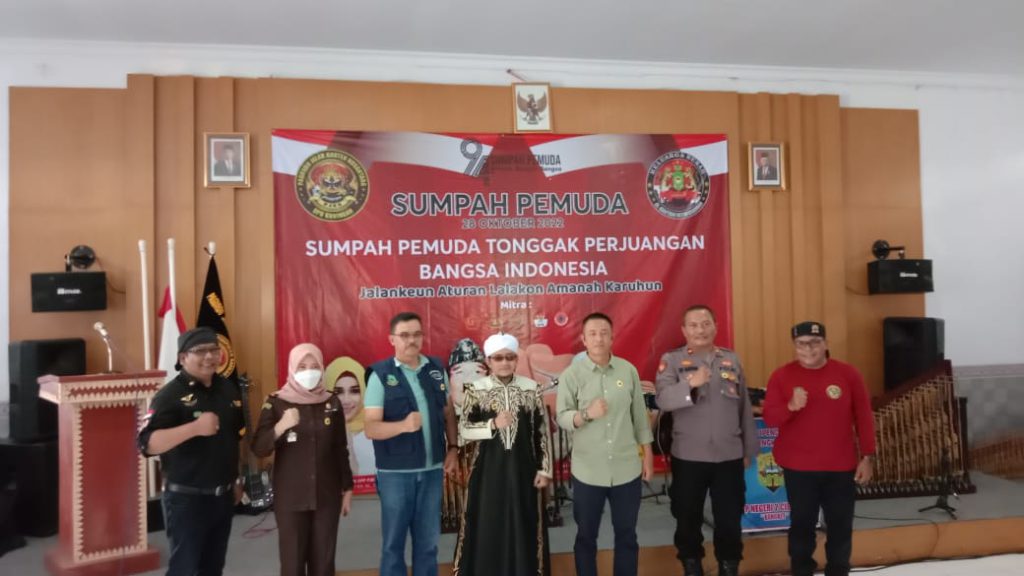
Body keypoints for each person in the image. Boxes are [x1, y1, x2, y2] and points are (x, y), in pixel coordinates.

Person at [763, 321, 876, 576]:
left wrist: (868, 456)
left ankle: (838, 571)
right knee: (801, 526)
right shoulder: (781, 376)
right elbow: (770, 418)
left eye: (815, 343)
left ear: (825, 344)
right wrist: (791, 406)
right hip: (798, 468)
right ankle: (801, 570)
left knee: (840, 526)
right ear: (794, 346)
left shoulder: (848, 374)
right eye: (801, 344)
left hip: (840, 466)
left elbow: (864, 416)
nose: (808, 349)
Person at [654, 305, 758, 576]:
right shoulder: (672, 360)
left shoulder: (730, 359)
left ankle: (729, 565)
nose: (700, 330)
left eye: (705, 324)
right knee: (687, 517)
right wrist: (690, 384)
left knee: (730, 518)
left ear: (715, 326)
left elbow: (744, 408)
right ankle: (692, 565)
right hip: (689, 456)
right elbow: (662, 399)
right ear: (684, 330)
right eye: (693, 325)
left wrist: (748, 449)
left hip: (729, 455)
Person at [137, 327, 243, 576]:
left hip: (222, 496)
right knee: (185, 568)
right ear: (183, 357)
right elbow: (147, 444)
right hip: (187, 499)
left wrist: (236, 479)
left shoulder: (228, 389)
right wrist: (194, 428)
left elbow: (234, 439)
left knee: (213, 567)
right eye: (200, 351)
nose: (209, 356)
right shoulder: (169, 395)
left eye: (214, 350)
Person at [556, 312, 654, 576]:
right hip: (588, 471)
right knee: (586, 536)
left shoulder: (627, 370)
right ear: (583, 339)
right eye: (592, 334)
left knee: (627, 535)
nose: (598, 338)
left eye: (603, 333)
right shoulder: (571, 375)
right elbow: (562, 417)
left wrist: (647, 454)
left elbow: (639, 417)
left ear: (612, 337)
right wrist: (586, 414)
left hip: (626, 468)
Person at [364, 311, 459, 576]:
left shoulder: (436, 370)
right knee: (393, 546)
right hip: (395, 475)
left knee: (428, 545)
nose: (411, 340)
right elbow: (370, 428)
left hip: (432, 472)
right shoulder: (380, 375)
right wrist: (403, 426)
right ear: (392, 339)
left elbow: (448, 413)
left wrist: (453, 448)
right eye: (404, 335)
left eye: (417, 334)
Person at [453, 333, 552, 576]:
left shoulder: (531, 389)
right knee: (488, 523)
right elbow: (464, 430)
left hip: (524, 469)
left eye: (510, 357)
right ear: (488, 361)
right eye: (498, 358)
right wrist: (492, 425)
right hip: (488, 471)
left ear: (516, 359)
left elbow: (541, 431)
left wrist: (544, 469)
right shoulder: (476, 390)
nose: (505, 362)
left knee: (524, 521)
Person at [252, 343, 354, 576]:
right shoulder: (276, 402)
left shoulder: (332, 402)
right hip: (291, 498)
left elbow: (340, 448)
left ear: (322, 368)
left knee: (324, 564)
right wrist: (280, 427)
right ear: (292, 368)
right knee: (293, 564)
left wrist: (348, 487)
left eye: (314, 366)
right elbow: (259, 448)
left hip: (327, 495)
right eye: (302, 366)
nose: (309, 371)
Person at [325, 356, 376, 476]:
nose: (346, 400)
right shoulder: (317, 434)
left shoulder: (377, 434)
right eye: (338, 392)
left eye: (354, 391)